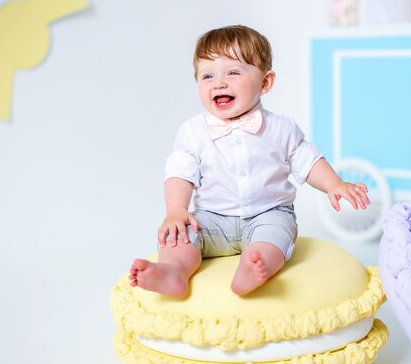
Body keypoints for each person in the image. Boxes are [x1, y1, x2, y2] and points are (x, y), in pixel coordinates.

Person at [129, 25, 370, 297]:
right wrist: (175, 210)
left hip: (268, 213)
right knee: (181, 234)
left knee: (273, 237)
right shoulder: (193, 131)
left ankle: (254, 268)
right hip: (211, 219)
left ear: (265, 83)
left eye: (233, 72)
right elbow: (180, 173)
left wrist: (334, 184)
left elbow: (307, 159)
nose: (219, 83)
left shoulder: (281, 128)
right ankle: (173, 272)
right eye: (208, 75)